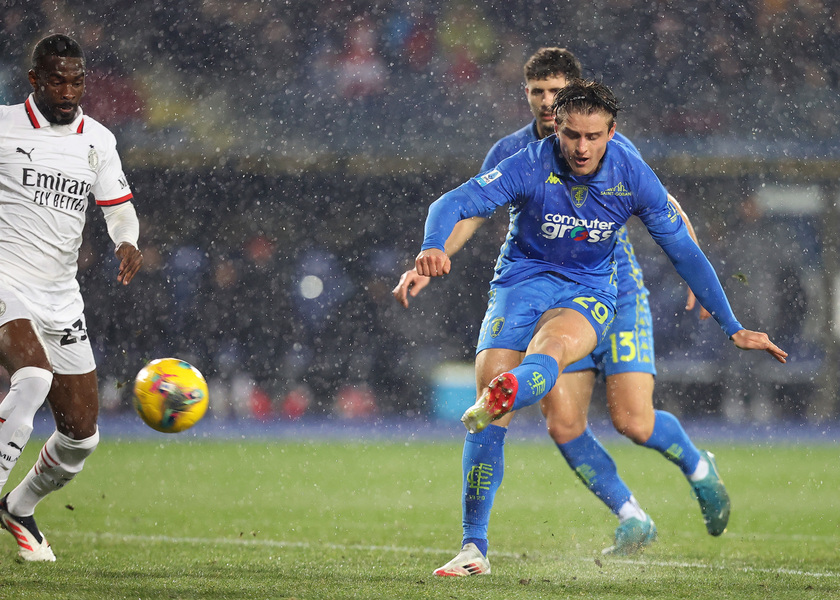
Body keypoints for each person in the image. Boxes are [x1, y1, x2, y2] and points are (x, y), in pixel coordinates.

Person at [410, 77, 786, 574]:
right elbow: (453, 205)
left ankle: (696, 464)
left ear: (611, 132)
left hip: (599, 289)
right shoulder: (524, 158)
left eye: (592, 137)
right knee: (547, 419)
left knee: (629, 416)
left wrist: (731, 324)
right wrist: (432, 245)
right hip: (523, 283)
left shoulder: (631, 169)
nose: (581, 147)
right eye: (570, 135)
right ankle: (475, 546)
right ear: (555, 126)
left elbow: (683, 245)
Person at [0, 33, 143, 562]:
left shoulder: (97, 140)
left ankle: (17, 507)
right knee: (32, 377)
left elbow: (118, 206)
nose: (68, 89)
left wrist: (127, 241)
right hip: (4, 279)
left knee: (81, 437)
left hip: (60, 296)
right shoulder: (4, 125)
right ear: (34, 79)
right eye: (56, 79)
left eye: (77, 80)